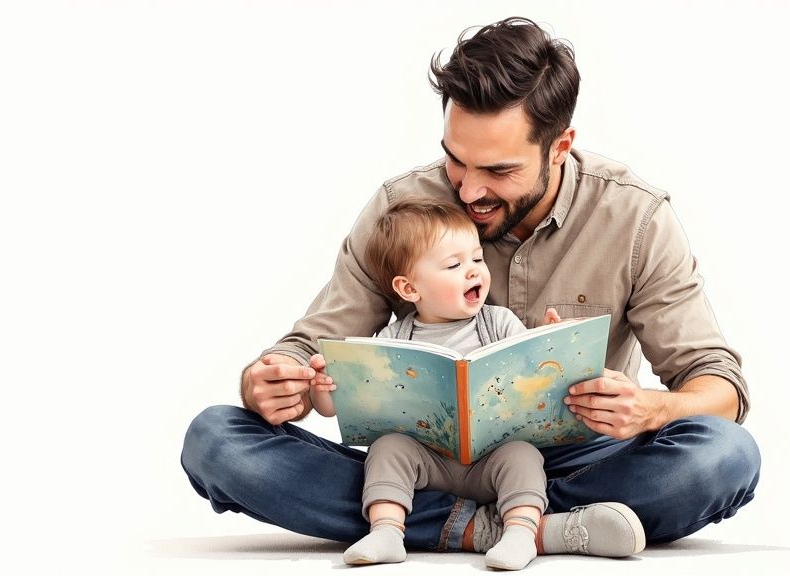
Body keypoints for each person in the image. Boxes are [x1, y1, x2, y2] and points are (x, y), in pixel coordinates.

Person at [181, 16, 760, 558]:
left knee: (724, 456)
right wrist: (276, 379)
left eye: (499, 171)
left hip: (579, 462)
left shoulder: (634, 219)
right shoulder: (401, 208)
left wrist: (651, 409)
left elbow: (719, 385)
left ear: (559, 147)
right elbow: (311, 345)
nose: (468, 191)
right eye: (455, 161)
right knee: (216, 441)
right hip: (416, 464)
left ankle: (441, 523)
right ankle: (539, 528)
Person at [306, 198, 645, 569]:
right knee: (387, 449)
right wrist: (324, 386)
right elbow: (339, 407)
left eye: (477, 259)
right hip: (428, 464)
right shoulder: (394, 340)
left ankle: (520, 533)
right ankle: (387, 530)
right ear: (409, 288)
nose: (473, 272)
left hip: (491, 459)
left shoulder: (498, 322)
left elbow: (538, 377)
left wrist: (553, 346)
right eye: (454, 265)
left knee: (522, 455)